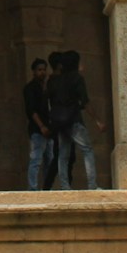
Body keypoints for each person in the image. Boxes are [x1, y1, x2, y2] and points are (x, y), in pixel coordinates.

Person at [48, 49, 104, 190]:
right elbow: (85, 101)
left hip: (60, 122)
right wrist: (97, 120)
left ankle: (64, 186)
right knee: (87, 150)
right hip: (73, 120)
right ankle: (92, 185)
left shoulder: (55, 80)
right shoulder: (77, 78)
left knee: (63, 154)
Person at [23, 58, 53, 190]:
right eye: (39, 70)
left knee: (49, 160)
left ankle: (46, 188)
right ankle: (33, 188)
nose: (42, 72)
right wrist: (41, 126)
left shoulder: (46, 88)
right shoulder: (30, 88)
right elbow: (31, 110)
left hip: (49, 130)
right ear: (34, 72)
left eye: (44, 70)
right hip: (37, 130)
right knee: (36, 160)